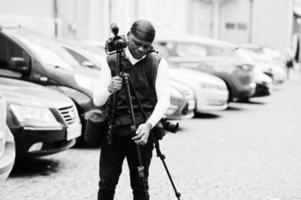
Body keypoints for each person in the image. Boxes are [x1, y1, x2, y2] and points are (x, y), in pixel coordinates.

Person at [93, 19, 170, 200]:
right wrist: (109, 89)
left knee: (141, 188)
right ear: (128, 36)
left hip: (142, 135)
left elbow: (164, 99)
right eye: (137, 44)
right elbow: (97, 100)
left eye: (146, 46)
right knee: (106, 186)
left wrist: (149, 125)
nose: (141, 50)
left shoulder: (157, 63)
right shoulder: (111, 61)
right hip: (114, 134)